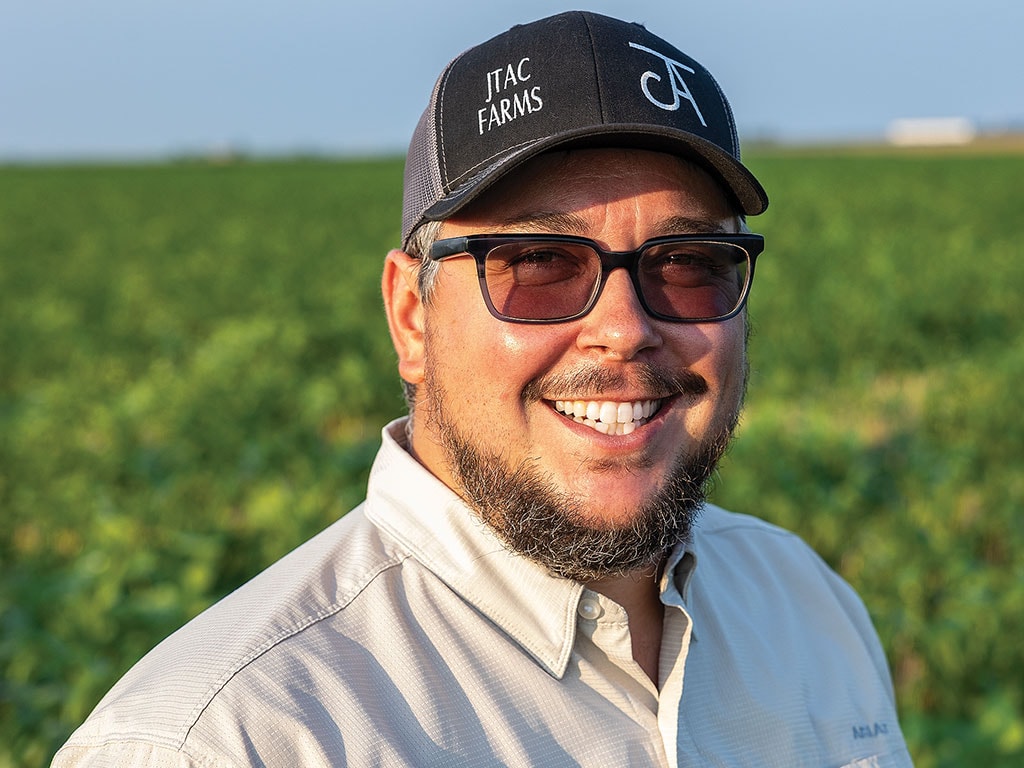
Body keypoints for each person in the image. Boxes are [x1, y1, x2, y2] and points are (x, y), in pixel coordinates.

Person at [53, 11, 913, 767]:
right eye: (539, 263)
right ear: (411, 318)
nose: (625, 327)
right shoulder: (228, 742)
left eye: (689, 265)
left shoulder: (805, 606)